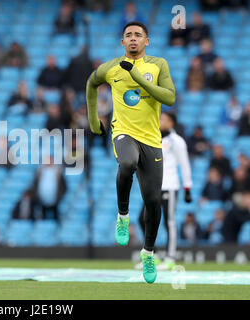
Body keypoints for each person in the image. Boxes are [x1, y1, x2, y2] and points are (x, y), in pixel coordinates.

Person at [86, 21, 176, 283]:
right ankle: (122, 216)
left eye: (138, 35)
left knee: (153, 202)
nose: (133, 38)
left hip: (151, 139)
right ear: (122, 42)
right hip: (123, 133)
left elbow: (170, 98)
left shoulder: (158, 65)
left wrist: (137, 78)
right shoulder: (110, 67)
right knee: (127, 163)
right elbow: (91, 84)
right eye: (128, 35)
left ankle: (148, 253)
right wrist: (94, 121)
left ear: (147, 41)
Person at [138, 113, 193, 271]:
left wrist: (187, 187)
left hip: (169, 185)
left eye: (164, 119)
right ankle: (152, 255)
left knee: (169, 222)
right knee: (144, 219)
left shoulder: (177, 141)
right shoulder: (152, 136)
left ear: (171, 123)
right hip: (153, 186)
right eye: (160, 118)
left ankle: (170, 258)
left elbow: (184, 164)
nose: (160, 121)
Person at [32, 156, 67, 221]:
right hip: (42, 200)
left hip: (55, 200)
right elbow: (34, 185)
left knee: (55, 217)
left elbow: (64, 186)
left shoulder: (58, 172)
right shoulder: (40, 172)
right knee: (43, 217)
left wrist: (60, 196)